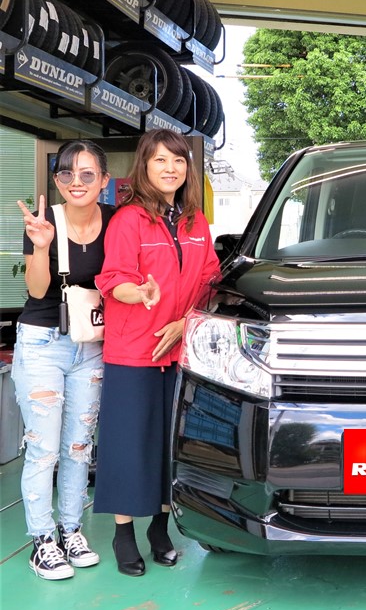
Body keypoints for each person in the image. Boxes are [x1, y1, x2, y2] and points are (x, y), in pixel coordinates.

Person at [93, 129, 220, 576]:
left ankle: (160, 529)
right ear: (144, 166)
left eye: (178, 160)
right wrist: (140, 293)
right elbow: (114, 279)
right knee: (129, 445)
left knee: (170, 444)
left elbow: (210, 281)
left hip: (181, 350)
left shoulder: (195, 222)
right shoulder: (128, 220)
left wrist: (185, 323)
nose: (171, 168)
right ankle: (124, 532)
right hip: (134, 351)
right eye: (161, 160)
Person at [12, 140, 114, 580]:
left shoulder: (115, 221)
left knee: (78, 446)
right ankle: (42, 541)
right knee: (44, 448)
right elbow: (37, 291)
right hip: (43, 342)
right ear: (57, 180)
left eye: (87, 174)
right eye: (67, 173)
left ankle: (71, 530)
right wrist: (41, 246)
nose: (77, 181)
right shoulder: (44, 220)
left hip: (91, 344)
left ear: (104, 180)